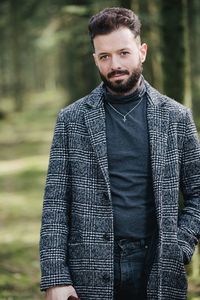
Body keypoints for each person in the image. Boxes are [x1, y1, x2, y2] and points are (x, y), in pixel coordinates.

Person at [40, 7, 200, 300]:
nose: (115, 64)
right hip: (87, 268)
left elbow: (198, 190)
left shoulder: (176, 117)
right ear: (95, 59)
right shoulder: (71, 119)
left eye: (123, 53)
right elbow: (55, 204)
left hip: (158, 266)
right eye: (105, 56)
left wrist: (182, 244)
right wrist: (55, 277)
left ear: (142, 51)